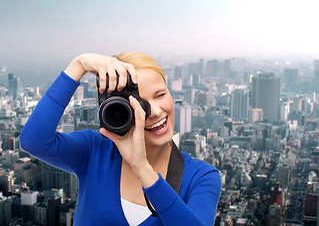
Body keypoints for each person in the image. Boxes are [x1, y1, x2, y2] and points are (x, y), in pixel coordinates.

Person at [19, 52, 221, 226]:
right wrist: (79, 65)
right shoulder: (95, 150)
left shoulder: (201, 177)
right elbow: (33, 141)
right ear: (118, 111)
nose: (155, 111)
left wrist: (142, 168)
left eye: (160, 95)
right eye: (138, 104)